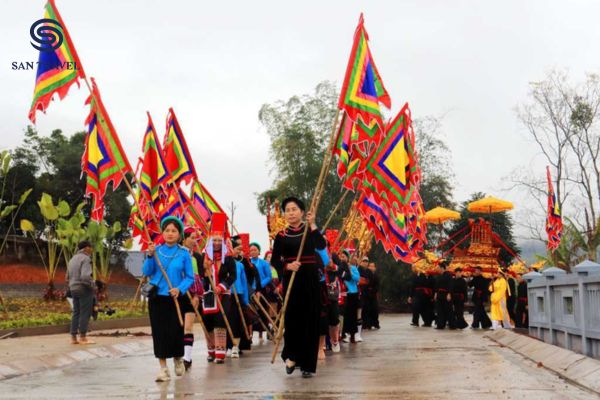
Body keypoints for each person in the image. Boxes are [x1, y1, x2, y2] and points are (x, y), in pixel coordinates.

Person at [271, 197, 326, 378]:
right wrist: (287, 266)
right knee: (293, 319)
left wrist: (313, 225)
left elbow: (321, 245)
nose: (291, 213)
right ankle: (292, 356)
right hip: (292, 279)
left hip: (309, 278)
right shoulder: (281, 235)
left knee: (310, 319)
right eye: (287, 210)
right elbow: (275, 261)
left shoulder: (309, 230)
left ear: (302, 212)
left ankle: (308, 365)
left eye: (294, 209)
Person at [143, 217, 195, 382]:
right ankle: (163, 368)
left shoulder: (183, 253)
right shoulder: (156, 251)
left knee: (175, 331)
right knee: (159, 333)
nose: (170, 234)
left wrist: (179, 288)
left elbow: (189, 277)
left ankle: (178, 358)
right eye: (167, 230)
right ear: (162, 232)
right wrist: (150, 255)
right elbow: (147, 271)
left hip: (175, 298)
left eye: (173, 231)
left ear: (179, 234)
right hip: (157, 298)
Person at [199, 213, 237, 364]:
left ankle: (221, 353)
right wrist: (205, 269)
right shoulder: (204, 256)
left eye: (218, 240)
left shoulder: (228, 257)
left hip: (223, 294)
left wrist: (221, 286)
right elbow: (199, 274)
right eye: (213, 240)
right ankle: (211, 351)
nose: (215, 243)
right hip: (207, 294)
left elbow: (232, 275)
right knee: (208, 321)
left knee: (220, 320)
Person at [181, 228, 204, 371]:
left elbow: (200, 278)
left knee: (188, 326)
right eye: (191, 237)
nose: (194, 241)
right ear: (184, 238)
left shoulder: (197, 257)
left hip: (192, 295)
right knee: (178, 327)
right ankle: (179, 355)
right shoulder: (177, 254)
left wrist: (197, 296)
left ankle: (187, 357)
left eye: (195, 238)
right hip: (177, 294)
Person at [67, 240, 96, 345]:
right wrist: (93, 284)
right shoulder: (86, 258)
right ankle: (83, 337)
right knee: (85, 312)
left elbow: (67, 277)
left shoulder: (72, 259)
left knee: (76, 312)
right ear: (86, 248)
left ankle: (73, 338)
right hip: (83, 288)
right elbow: (85, 276)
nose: (92, 249)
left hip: (73, 288)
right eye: (91, 247)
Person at [228, 235, 249, 358]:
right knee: (228, 322)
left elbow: (244, 283)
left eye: (238, 250)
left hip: (239, 294)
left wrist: (245, 300)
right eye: (235, 249)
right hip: (227, 294)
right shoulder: (223, 263)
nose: (237, 252)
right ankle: (227, 346)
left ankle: (236, 346)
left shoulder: (240, 265)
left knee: (238, 321)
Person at [249, 242, 274, 342]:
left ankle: (267, 330)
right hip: (250, 290)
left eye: (255, 250)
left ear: (259, 251)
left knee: (263, 311)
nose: (253, 252)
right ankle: (251, 333)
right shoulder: (248, 263)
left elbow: (269, 276)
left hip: (262, 290)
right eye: (251, 250)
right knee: (252, 311)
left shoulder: (264, 263)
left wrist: (260, 285)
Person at [341, 251, 360, 343]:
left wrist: (351, 272)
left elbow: (357, 279)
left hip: (352, 294)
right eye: (341, 256)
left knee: (352, 315)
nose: (342, 258)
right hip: (342, 294)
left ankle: (352, 335)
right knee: (344, 315)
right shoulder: (339, 268)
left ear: (348, 258)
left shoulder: (353, 268)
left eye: (344, 256)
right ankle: (344, 334)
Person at [434, 262, 455, 330]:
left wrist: (449, 294)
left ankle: (452, 325)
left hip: (446, 295)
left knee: (448, 310)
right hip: (439, 295)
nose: (437, 269)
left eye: (438, 268)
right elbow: (437, 286)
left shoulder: (449, 275)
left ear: (442, 268)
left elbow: (451, 285)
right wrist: (436, 293)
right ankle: (440, 325)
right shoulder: (439, 276)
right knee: (440, 310)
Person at [356, 256, 372, 341]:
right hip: (357, 292)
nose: (365, 262)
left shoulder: (368, 271)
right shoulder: (358, 268)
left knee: (362, 312)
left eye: (367, 261)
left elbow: (369, 281)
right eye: (364, 261)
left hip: (365, 293)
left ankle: (360, 331)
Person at [363, 262, 380, 330]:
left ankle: (375, 323)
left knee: (375, 309)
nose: (371, 268)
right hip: (367, 294)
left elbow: (377, 285)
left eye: (373, 266)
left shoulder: (376, 275)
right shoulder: (366, 274)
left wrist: (374, 291)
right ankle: (368, 324)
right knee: (367, 310)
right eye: (370, 266)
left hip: (373, 294)